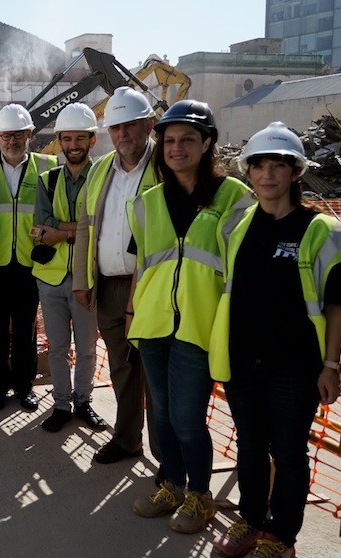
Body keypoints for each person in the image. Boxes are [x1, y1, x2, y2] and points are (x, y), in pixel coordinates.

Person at [210, 122, 341, 558]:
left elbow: (336, 304)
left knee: (288, 452)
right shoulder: (239, 224)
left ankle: (281, 536)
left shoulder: (321, 229)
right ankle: (249, 522)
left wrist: (331, 366)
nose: (267, 174)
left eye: (278, 166)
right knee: (249, 444)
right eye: (259, 165)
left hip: (296, 366)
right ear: (248, 172)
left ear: (295, 171)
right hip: (243, 360)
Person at [127, 100, 251, 534]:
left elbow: (246, 269)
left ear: (207, 144)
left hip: (201, 326)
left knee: (186, 417)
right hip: (154, 323)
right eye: (169, 140)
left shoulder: (234, 197)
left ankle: (201, 496)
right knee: (161, 415)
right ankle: (173, 485)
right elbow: (143, 264)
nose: (176, 148)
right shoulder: (146, 202)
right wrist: (131, 314)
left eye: (187, 140)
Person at [73, 87, 162, 469]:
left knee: (157, 374)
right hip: (109, 286)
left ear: (149, 125)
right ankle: (127, 440)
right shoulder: (100, 169)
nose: (123, 134)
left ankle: (167, 459)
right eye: (116, 127)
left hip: (154, 288)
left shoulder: (165, 165)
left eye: (131, 125)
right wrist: (82, 278)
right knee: (122, 369)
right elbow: (84, 226)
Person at [0, 104, 56, 412]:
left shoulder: (48, 166)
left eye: (18, 134)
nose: (12, 141)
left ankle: (24, 387)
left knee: (25, 329)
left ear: (30, 135)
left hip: (29, 262)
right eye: (6, 135)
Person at [32, 103, 105, 433]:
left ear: (92, 140)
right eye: (67, 138)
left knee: (87, 348)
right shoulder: (46, 180)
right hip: (51, 279)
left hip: (87, 277)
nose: (73, 145)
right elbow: (40, 226)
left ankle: (83, 401)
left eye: (80, 138)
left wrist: (60, 232)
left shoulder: (104, 177)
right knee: (58, 347)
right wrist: (79, 228)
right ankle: (61, 405)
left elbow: (101, 224)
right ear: (59, 141)